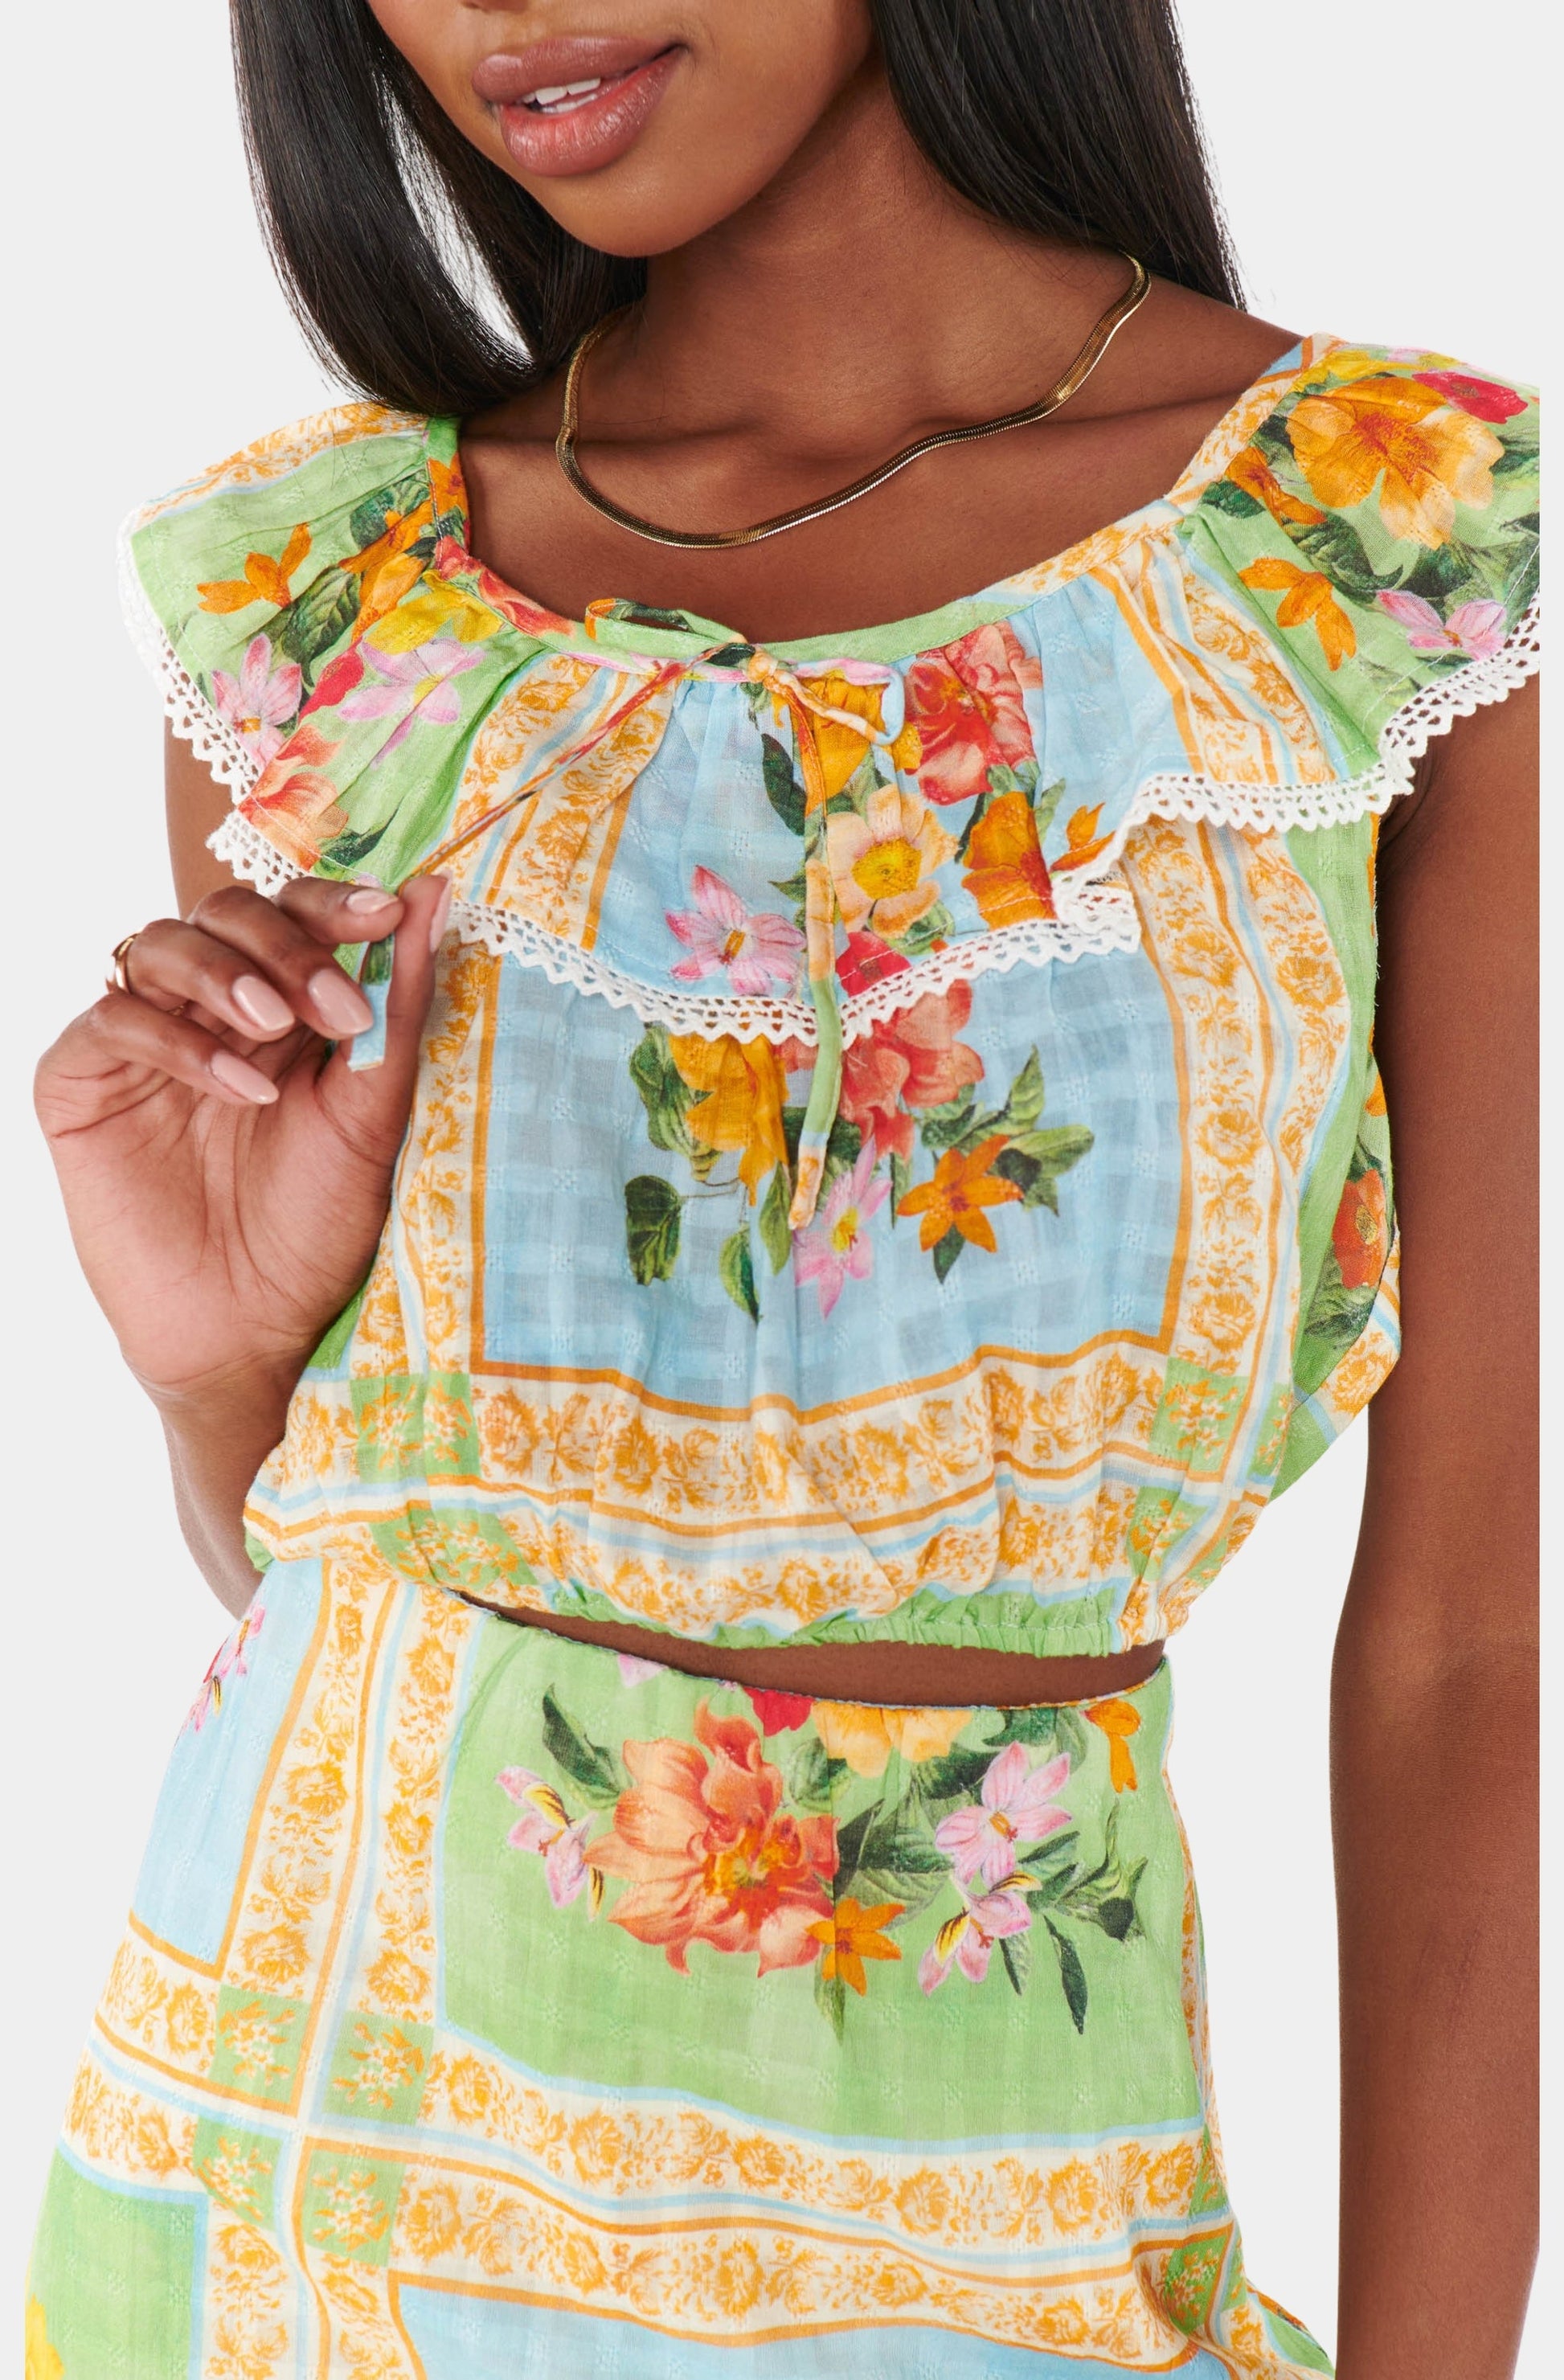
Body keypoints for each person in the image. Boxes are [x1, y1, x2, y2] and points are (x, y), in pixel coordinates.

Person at [27, 3, 1537, 2374]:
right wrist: (214, 1372)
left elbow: (1470, 1646)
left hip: (1013, 2217)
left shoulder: (1385, 555)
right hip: (301, 2193)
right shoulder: (335, 608)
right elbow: (341, 1563)